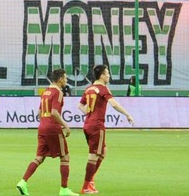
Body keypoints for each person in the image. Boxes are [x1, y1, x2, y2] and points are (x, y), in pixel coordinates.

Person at [18, 68, 77, 196]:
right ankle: (64, 189)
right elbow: (54, 112)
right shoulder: (58, 92)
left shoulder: (46, 91)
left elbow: (39, 112)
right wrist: (65, 125)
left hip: (42, 127)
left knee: (39, 157)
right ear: (60, 79)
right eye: (65, 78)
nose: (66, 80)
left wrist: (45, 123)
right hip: (53, 128)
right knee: (65, 157)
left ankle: (23, 182)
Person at [78, 64, 135, 194]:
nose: (109, 75)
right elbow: (113, 104)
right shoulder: (103, 89)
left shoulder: (89, 88)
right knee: (93, 156)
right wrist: (127, 114)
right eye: (107, 73)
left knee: (103, 152)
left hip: (88, 124)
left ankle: (90, 181)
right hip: (96, 126)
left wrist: (88, 113)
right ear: (102, 76)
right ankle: (86, 186)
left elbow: (80, 105)